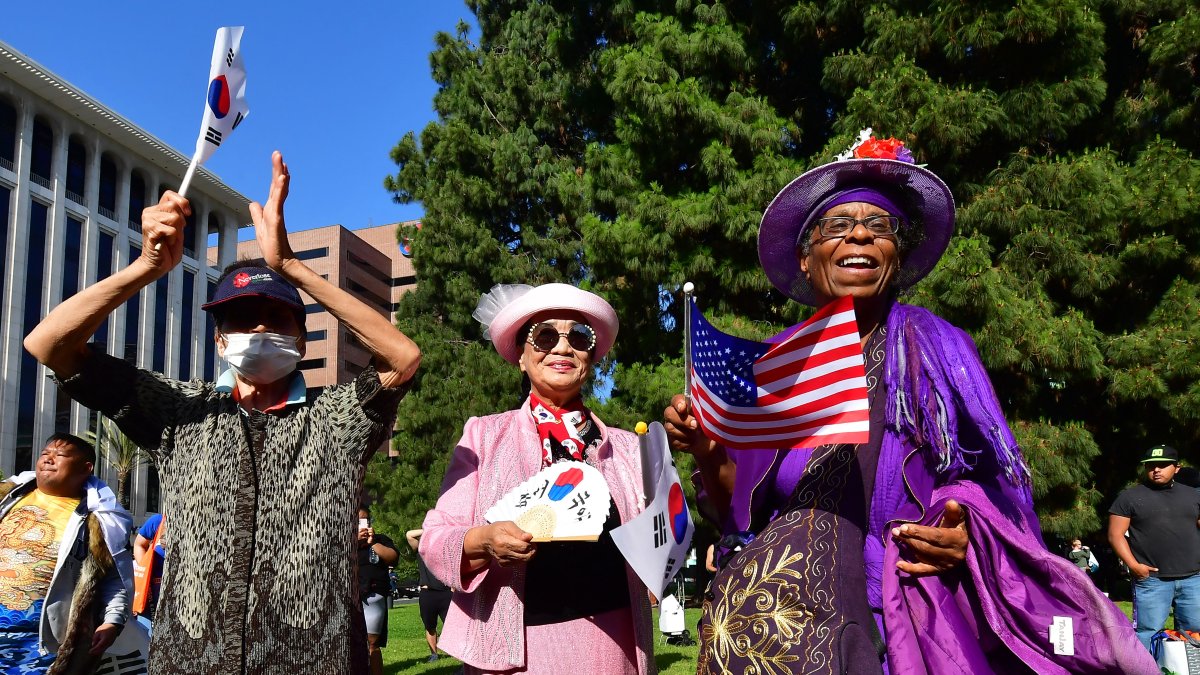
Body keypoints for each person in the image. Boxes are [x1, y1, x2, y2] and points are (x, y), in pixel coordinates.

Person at [664, 130, 1154, 673]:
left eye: (879, 227)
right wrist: (708, 450)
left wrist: (968, 531)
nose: (859, 238)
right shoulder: (780, 362)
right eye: (836, 226)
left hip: (891, 617)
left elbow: (998, 484)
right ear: (806, 260)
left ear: (898, 256)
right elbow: (746, 506)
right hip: (767, 625)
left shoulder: (935, 348)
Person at [22, 151, 422, 675]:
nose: (258, 329)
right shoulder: (181, 411)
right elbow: (49, 343)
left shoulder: (339, 418)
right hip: (189, 660)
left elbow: (402, 357)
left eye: (276, 317)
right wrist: (146, 267)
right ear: (219, 339)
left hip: (312, 662)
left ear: (302, 338)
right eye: (242, 319)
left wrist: (291, 268)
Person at [420, 283, 653, 674]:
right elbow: (436, 537)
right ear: (522, 359)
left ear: (591, 357)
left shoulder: (629, 448)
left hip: (614, 649)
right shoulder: (484, 435)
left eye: (579, 337)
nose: (563, 348)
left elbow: (660, 539)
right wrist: (483, 540)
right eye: (545, 336)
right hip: (516, 651)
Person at [0, 433, 142, 673]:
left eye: (60, 455)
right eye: (45, 454)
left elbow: (115, 577)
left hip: (42, 645)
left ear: (85, 468)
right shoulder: (7, 498)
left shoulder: (100, 521)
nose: (48, 459)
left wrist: (112, 620)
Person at [1108, 445, 1200, 651]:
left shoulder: (1194, 496)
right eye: (1151, 466)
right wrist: (1133, 565)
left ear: (1177, 468)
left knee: (1195, 631)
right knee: (1148, 632)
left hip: (1194, 578)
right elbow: (1115, 535)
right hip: (1151, 581)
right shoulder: (1129, 497)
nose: (1156, 470)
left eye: (1163, 465)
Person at [356, 505, 399, 675]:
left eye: (364, 520)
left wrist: (372, 543)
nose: (361, 525)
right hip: (348, 598)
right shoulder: (341, 541)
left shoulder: (381, 540)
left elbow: (393, 559)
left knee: (372, 643)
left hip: (373, 596)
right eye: (357, 521)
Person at [405, 528, 451, 663]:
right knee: (430, 626)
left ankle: (458, 654)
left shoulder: (445, 548)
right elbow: (409, 535)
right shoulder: (421, 549)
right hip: (428, 593)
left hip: (446, 592)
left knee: (451, 625)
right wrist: (432, 528)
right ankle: (434, 654)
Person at [132, 513, 166, 632]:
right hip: (151, 595)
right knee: (147, 639)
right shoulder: (158, 521)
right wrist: (145, 571)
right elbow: (139, 545)